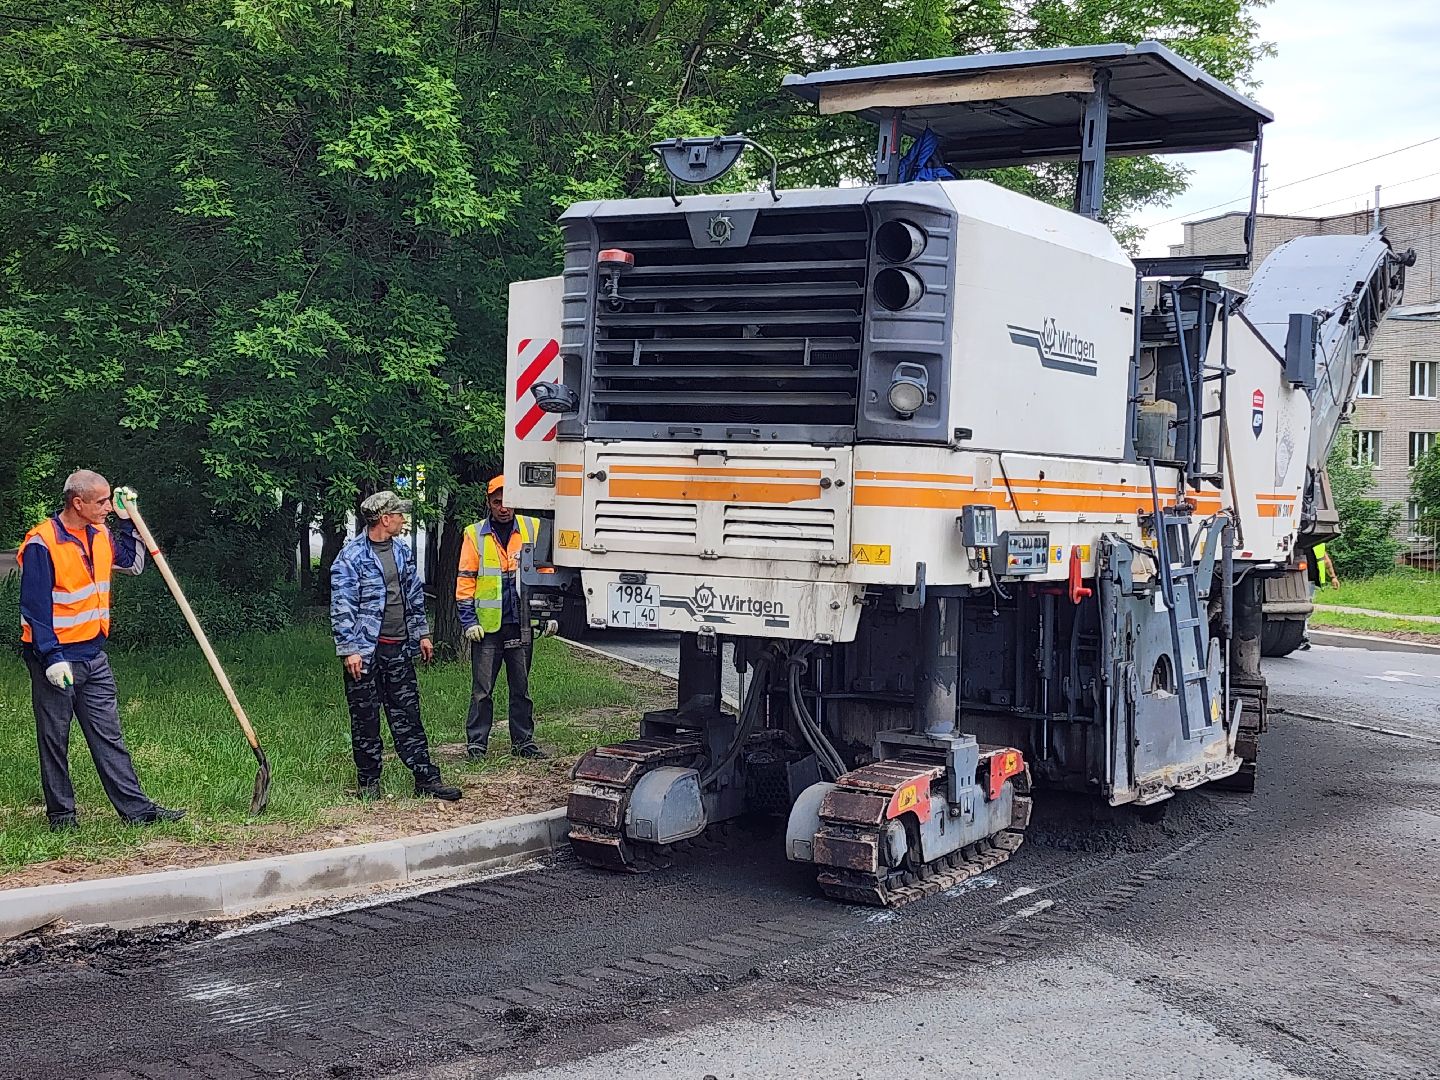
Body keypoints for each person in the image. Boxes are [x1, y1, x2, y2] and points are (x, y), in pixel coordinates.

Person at [18, 471, 186, 830]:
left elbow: (133, 564)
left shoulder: (101, 534)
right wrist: (50, 656)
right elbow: (34, 607)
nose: (108, 507)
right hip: (57, 659)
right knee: (55, 739)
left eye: (110, 501)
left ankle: (137, 812)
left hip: (93, 655)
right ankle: (62, 817)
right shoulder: (42, 543)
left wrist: (129, 522)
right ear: (77, 503)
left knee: (109, 736)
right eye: (102, 502)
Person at [331, 491, 461, 801]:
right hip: (364, 652)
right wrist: (350, 649)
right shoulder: (351, 557)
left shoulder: (401, 552)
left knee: (408, 714)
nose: (403, 519)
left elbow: (414, 596)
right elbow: (341, 606)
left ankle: (426, 778)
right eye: (399, 514)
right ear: (385, 519)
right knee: (365, 718)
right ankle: (369, 784)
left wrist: (423, 634)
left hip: (398, 648)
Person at [457, 476, 549, 760]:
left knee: (521, 688)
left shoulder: (532, 528)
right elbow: (465, 580)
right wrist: (468, 621)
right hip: (487, 627)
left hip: (521, 623)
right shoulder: (474, 534)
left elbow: (545, 574)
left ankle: (523, 742)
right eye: (497, 502)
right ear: (489, 503)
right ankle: (476, 744)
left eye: (507, 501)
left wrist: (546, 615)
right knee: (482, 690)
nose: (503, 508)